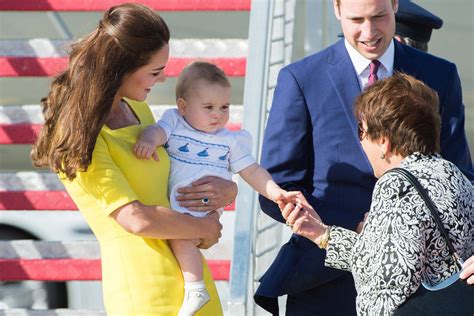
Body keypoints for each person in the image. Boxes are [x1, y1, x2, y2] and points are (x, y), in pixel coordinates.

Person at [255, 0, 474, 314]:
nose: (369, 32)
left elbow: (461, 176)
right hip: (323, 282)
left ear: (395, 5)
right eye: (357, 19)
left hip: (426, 292)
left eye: (379, 16)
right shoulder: (302, 79)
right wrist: (343, 234)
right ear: (336, 9)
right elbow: (279, 184)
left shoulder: (440, 74)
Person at [30, 4, 237, 315]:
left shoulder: (139, 111)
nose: (163, 79)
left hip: (192, 280)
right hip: (144, 291)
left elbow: (174, 183)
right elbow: (136, 219)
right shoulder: (80, 134)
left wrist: (227, 190)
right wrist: (202, 229)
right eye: (155, 71)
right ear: (122, 67)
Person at [280, 73, 474, 315]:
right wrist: (322, 234)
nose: (360, 141)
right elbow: (397, 262)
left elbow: (385, 291)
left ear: (384, 141)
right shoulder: (451, 173)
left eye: (361, 130)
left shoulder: (396, 185)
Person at [133, 61, 292, 315]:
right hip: (176, 203)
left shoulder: (230, 140)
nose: (218, 114)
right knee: (178, 234)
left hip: (201, 207)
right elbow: (159, 132)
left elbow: (251, 171)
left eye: (224, 107)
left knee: (181, 235)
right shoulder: (174, 121)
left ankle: (196, 288)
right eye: (208, 107)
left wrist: (274, 191)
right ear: (183, 106)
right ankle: (194, 285)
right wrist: (149, 139)